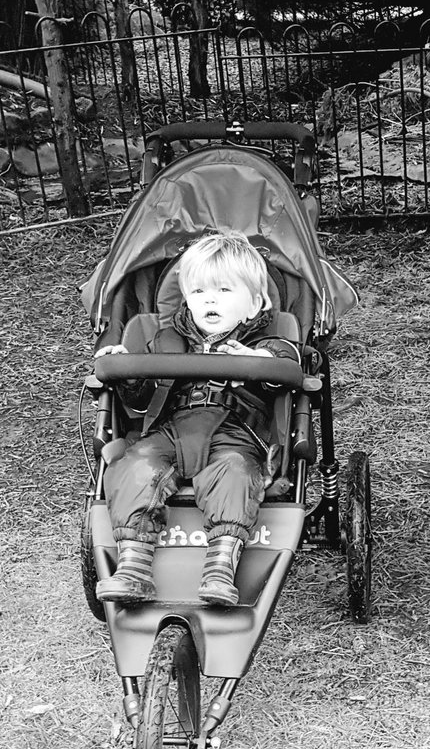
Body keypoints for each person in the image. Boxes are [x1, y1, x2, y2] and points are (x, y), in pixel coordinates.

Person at [96, 230, 298, 607]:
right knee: (133, 467)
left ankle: (220, 568)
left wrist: (265, 364)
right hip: (170, 430)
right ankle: (133, 568)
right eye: (199, 292)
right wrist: (127, 368)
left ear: (254, 304)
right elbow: (138, 402)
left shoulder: (268, 342)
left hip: (235, 433)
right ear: (186, 299)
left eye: (224, 291)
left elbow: (300, 363)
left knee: (235, 473)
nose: (210, 300)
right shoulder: (162, 341)